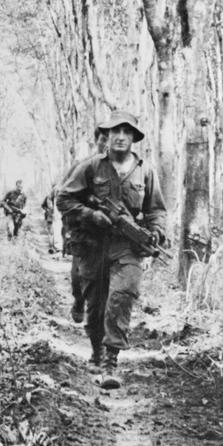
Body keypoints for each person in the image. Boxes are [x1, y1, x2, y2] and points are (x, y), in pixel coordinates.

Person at [56, 110, 166, 389]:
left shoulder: (145, 171)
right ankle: (96, 350)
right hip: (92, 245)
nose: (120, 137)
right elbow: (64, 199)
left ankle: (110, 362)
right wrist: (91, 216)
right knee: (97, 306)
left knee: (122, 296)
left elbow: (156, 211)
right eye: (115, 131)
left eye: (126, 132)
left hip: (127, 248)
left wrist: (156, 232)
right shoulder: (91, 167)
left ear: (133, 138)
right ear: (107, 136)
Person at [62, 126, 109, 323]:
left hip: (110, 237)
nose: (107, 145)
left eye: (110, 140)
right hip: (83, 233)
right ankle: (79, 300)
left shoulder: (125, 170)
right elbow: (64, 199)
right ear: (96, 142)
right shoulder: (82, 167)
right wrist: (69, 228)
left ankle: (101, 330)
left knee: (105, 285)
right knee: (77, 277)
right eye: (103, 140)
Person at [41, 185, 58, 253]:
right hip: (49, 217)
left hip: (53, 217)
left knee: (53, 232)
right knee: (51, 232)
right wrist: (47, 210)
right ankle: (51, 247)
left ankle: (54, 247)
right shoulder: (48, 197)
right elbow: (42, 205)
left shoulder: (56, 198)